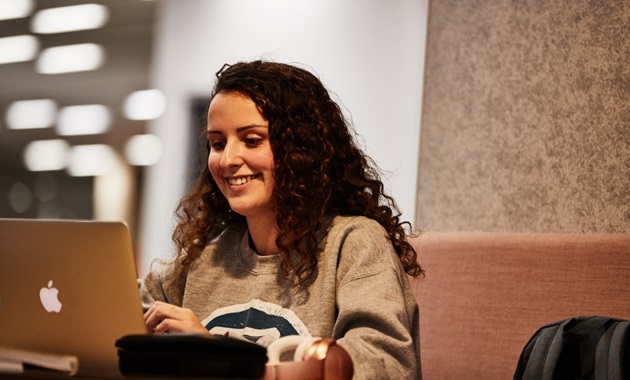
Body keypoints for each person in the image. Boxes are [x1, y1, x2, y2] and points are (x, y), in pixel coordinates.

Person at [140, 60, 424, 379]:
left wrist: (222, 361)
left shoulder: (354, 243)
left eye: (251, 140)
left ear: (299, 150)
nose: (228, 160)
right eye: (217, 144)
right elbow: (121, 310)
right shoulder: (207, 257)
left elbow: (384, 365)